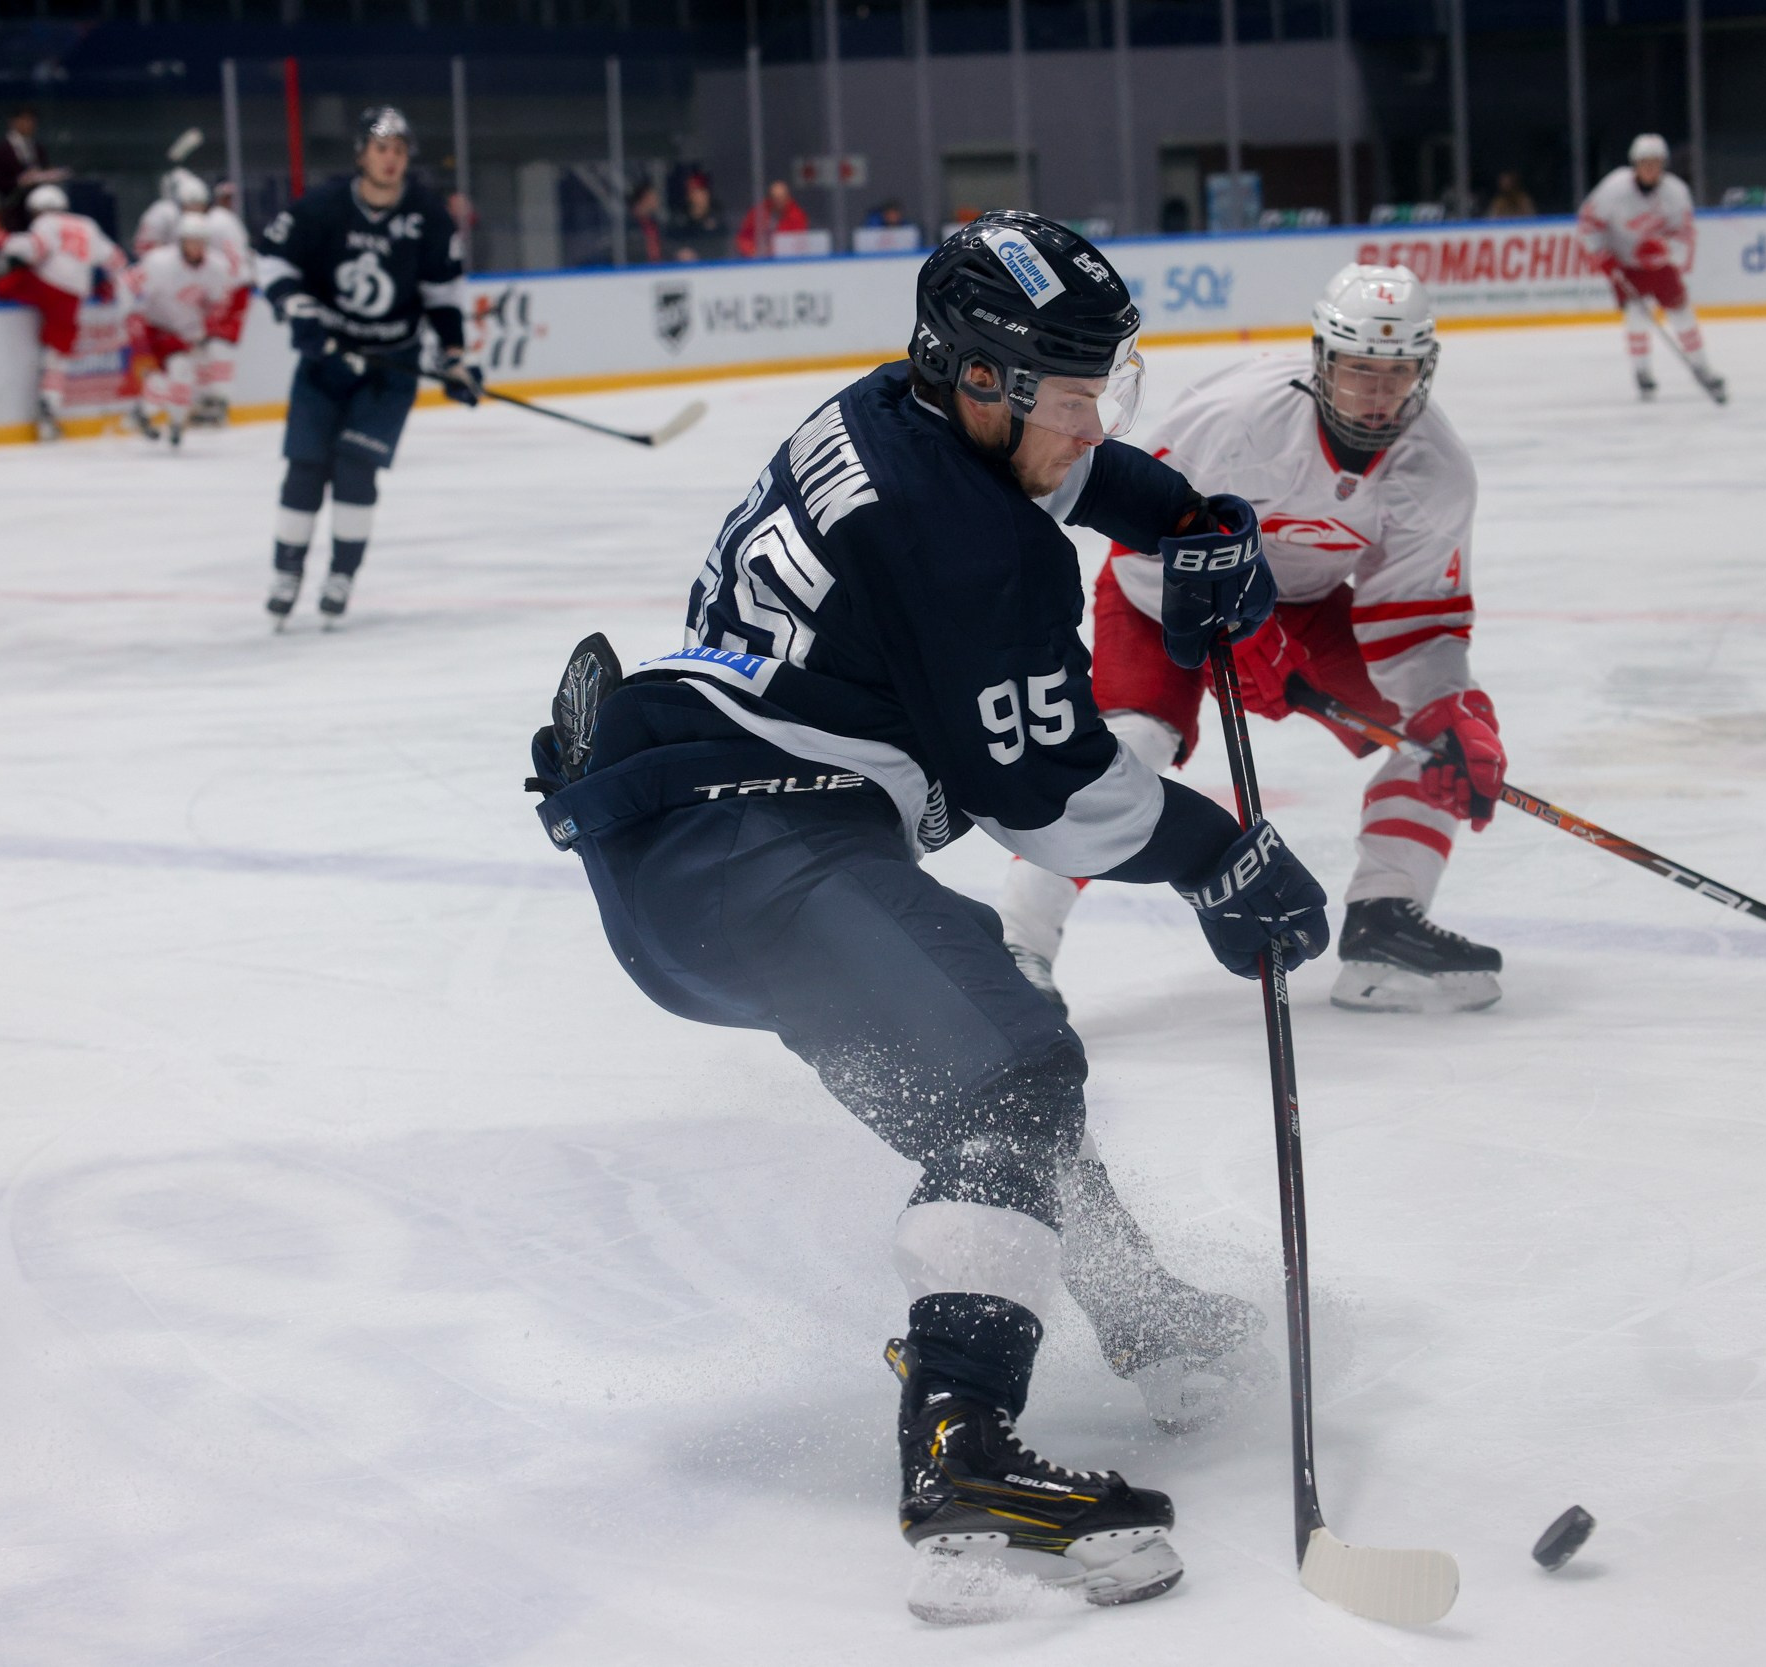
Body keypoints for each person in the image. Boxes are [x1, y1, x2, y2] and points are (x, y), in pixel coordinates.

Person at [525, 211, 1326, 1622]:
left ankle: (1135, 1309)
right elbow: (1047, 790)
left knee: (976, 1082)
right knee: (1015, 1065)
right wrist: (1222, 856)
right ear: (978, 381)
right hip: (751, 835)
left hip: (703, 842)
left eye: (1103, 389)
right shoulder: (965, 541)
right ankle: (961, 1454)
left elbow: (1055, 483)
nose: (1094, 421)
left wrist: (1178, 516)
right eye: (1071, 396)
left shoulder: (894, 413)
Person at [998, 263, 1509, 1016]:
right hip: (1157, 598)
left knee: (1435, 736)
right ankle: (1017, 945)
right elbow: (1144, 532)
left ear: (1422, 372)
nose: (1375, 396)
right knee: (1125, 751)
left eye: (1394, 375)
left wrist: (1445, 704)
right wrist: (1235, 630)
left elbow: (1417, 618)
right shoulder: (1238, 420)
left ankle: (1384, 920)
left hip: (1300, 605)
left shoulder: (1436, 471)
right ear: (1323, 360)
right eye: (1359, 371)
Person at [253, 106, 479, 627]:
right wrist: (300, 310)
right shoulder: (326, 206)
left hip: (389, 369)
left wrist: (453, 358)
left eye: (399, 150)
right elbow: (272, 259)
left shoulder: (427, 215)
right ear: (361, 154)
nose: (391, 159)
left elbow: (443, 293)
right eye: (381, 149)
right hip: (326, 361)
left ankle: (341, 575)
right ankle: (286, 571)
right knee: (305, 469)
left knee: (357, 469)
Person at [1577, 134, 1726, 403]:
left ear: (1664, 165)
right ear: (1635, 164)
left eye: (1656, 163)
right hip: (1624, 263)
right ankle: (1642, 372)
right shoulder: (1614, 189)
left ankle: (1702, 366)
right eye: (1645, 163)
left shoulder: (1676, 192)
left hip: (1658, 266)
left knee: (1682, 313)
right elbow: (1588, 223)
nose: (1650, 169)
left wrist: (1663, 250)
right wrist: (1601, 257)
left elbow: (1685, 235)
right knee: (1636, 315)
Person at [0, 182, 126, 441]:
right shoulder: (88, 224)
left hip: (46, 286)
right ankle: (49, 405)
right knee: (59, 353)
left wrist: (0, 240)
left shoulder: (46, 223)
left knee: (9, 283)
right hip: (74, 295)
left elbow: (34, 251)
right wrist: (105, 282)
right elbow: (116, 260)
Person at [124, 212, 240, 448]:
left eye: (200, 241)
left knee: (179, 376)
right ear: (180, 241)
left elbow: (217, 302)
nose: (195, 247)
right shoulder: (159, 263)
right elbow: (128, 284)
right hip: (156, 325)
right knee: (178, 371)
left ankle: (161, 417)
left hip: (185, 331)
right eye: (190, 241)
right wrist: (132, 315)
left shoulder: (216, 267)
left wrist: (206, 328)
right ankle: (158, 416)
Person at [193, 180, 255, 425]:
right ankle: (215, 399)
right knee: (215, 342)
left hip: (230, 287)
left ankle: (217, 401)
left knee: (216, 342)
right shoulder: (227, 219)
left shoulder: (210, 223)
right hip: (238, 285)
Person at [0, 105, 64, 232]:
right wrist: (21, 181)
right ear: (14, 122)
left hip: (38, 209)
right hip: (13, 209)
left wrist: (47, 175)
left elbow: (44, 170)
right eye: (25, 120)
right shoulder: (2, 150)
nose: (29, 124)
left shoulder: (37, 148)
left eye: (32, 121)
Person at [134, 169, 209, 256]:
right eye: (191, 205)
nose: (196, 210)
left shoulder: (205, 219)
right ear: (182, 203)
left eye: (200, 206)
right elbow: (144, 250)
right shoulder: (162, 213)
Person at [734, 179, 808, 257]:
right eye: (775, 198)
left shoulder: (797, 216)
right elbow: (743, 238)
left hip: (787, 260)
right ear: (770, 198)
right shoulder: (757, 213)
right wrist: (752, 251)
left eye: (781, 198)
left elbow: (799, 242)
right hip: (759, 260)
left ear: (788, 197)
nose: (779, 201)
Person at [665, 171, 729, 262]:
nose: (699, 196)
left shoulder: (717, 217)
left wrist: (700, 254)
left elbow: (722, 246)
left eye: (701, 191)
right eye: (694, 192)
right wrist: (679, 252)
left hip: (711, 268)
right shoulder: (680, 218)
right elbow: (669, 243)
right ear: (689, 196)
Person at [624, 181, 664, 265]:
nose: (656, 201)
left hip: (657, 270)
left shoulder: (656, 224)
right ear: (644, 199)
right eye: (652, 197)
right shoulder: (628, 227)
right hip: (636, 271)